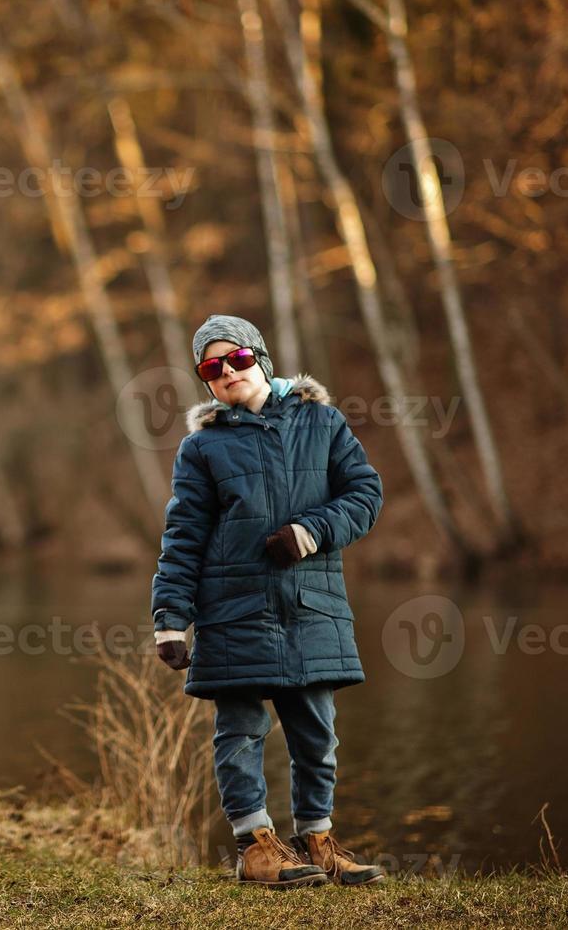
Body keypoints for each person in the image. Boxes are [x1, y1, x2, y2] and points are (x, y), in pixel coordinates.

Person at [151, 314, 386, 890]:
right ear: (205, 381)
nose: (227, 372)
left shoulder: (323, 422)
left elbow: (365, 493)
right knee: (241, 731)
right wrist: (170, 620)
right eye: (212, 366)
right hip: (231, 611)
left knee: (317, 734)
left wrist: (311, 531)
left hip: (312, 606)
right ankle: (256, 848)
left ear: (261, 358)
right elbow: (183, 536)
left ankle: (318, 843)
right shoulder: (201, 448)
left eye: (236, 359)